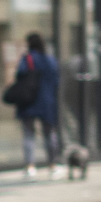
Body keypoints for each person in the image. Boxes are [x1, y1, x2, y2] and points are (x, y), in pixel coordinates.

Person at [11, 31, 63, 180]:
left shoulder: (27, 59)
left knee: (29, 134)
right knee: (49, 134)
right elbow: (56, 81)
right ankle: (53, 165)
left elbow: (20, 76)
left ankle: (30, 167)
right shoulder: (50, 60)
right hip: (46, 101)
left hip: (29, 101)